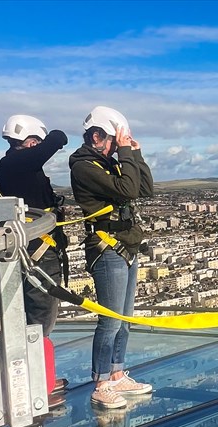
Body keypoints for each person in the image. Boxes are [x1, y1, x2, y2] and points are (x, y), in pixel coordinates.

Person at [69, 106, 154, 409]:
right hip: (107, 249)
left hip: (126, 245)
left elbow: (145, 189)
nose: (117, 147)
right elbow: (128, 188)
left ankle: (116, 374)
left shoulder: (107, 163)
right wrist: (126, 155)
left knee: (124, 319)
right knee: (110, 322)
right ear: (97, 135)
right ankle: (101, 382)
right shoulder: (84, 167)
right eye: (114, 142)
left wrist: (135, 154)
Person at [0, 114, 69, 408]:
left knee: (38, 314)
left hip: (39, 247)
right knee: (40, 314)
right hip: (37, 250)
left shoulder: (15, 166)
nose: (38, 146)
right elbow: (40, 153)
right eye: (34, 141)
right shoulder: (13, 163)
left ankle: (38, 377)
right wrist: (56, 138)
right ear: (26, 140)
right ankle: (34, 383)